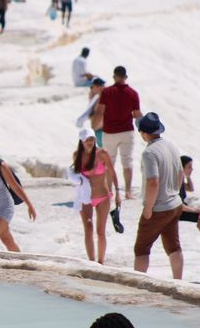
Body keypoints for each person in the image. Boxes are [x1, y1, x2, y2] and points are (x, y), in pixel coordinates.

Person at [133, 113, 184, 279]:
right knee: (173, 246)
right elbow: (180, 173)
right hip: (174, 204)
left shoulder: (149, 153)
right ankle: (178, 281)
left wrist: (148, 207)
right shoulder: (170, 145)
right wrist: (174, 191)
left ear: (143, 133)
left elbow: (153, 181)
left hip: (158, 207)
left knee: (141, 248)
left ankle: (137, 283)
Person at [69, 129, 120, 264]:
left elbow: (112, 173)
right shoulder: (77, 156)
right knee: (88, 228)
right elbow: (75, 176)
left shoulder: (102, 154)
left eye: (92, 139)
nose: (90, 142)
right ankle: (92, 262)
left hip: (102, 196)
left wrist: (118, 193)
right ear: (82, 141)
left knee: (100, 231)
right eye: (87, 139)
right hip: (85, 197)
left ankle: (101, 262)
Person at [94, 66, 142, 198]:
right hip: (127, 131)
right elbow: (137, 114)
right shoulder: (133, 93)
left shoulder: (107, 92)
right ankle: (127, 191)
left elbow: (100, 111)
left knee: (110, 162)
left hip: (109, 132)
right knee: (127, 161)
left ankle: (109, 191)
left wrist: (94, 125)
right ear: (126, 77)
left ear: (114, 77)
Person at [178, 155, 200, 222]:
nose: (192, 169)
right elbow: (177, 205)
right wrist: (195, 210)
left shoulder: (181, 178)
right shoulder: (176, 180)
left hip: (183, 208)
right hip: (179, 212)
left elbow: (190, 189)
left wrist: (188, 176)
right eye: (189, 167)